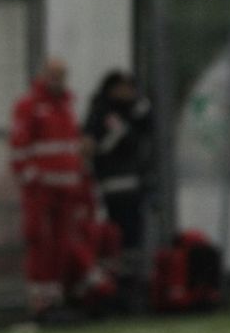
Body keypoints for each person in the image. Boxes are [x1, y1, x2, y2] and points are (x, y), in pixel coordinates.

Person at [9, 58, 86, 319]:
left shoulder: (66, 105)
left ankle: (55, 298)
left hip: (65, 190)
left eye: (62, 75)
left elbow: (69, 146)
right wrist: (31, 177)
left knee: (61, 245)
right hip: (41, 190)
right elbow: (20, 146)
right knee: (40, 241)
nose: (58, 81)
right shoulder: (30, 106)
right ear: (43, 75)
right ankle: (39, 302)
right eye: (54, 75)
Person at [83, 71, 153, 303]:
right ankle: (116, 289)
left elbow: (145, 136)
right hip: (112, 186)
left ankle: (132, 286)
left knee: (134, 239)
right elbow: (98, 145)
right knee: (116, 238)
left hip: (134, 185)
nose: (128, 92)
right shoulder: (102, 113)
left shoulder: (135, 112)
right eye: (123, 87)